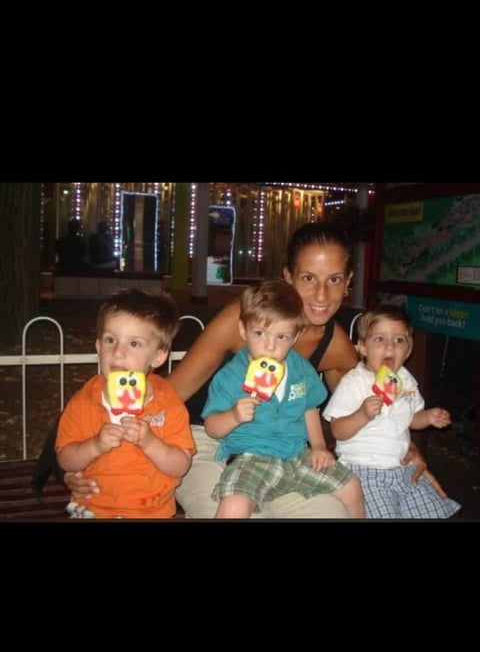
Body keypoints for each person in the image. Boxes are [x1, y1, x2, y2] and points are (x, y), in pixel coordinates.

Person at [60, 221, 447, 519]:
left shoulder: (336, 344)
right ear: (288, 277)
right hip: (207, 441)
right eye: (308, 278)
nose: (321, 295)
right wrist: (96, 460)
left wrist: (405, 450)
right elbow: (169, 392)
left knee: (333, 513)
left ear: (347, 283)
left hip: (283, 451)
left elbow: (366, 407)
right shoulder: (242, 320)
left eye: (333, 280)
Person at [202, 280, 366, 519]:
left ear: (295, 336)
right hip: (250, 457)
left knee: (352, 487)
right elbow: (211, 427)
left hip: (296, 455)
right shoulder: (231, 376)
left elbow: (309, 408)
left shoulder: (301, 370)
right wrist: (233, 416)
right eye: (260, 333)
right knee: (233, 505)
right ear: (243, 330)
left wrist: (318, 446)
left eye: (281, 336)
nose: (270, 346)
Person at [55, 288, 195, 519]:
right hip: (93, 509)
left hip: (152, 512)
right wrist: (95, 445)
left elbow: (181, 466)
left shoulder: (168, 404)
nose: (118, 352)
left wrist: (150, 443)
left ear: (158, 356)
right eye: (110, 340)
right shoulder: (84, 401)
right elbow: (65, 459)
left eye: (134, 344)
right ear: (98, 346)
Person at [322, 305, 461, 519]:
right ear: (362, 347)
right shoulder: (355, 382)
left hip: (403, 468)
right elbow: (338, 430)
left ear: (408, 350)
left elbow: (412, 419)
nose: (390, 346)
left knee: (432, 511)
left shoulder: (406, 380)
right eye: (380, 339)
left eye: (399, 340)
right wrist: (362, 415)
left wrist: (428, 417)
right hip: (364, 470)